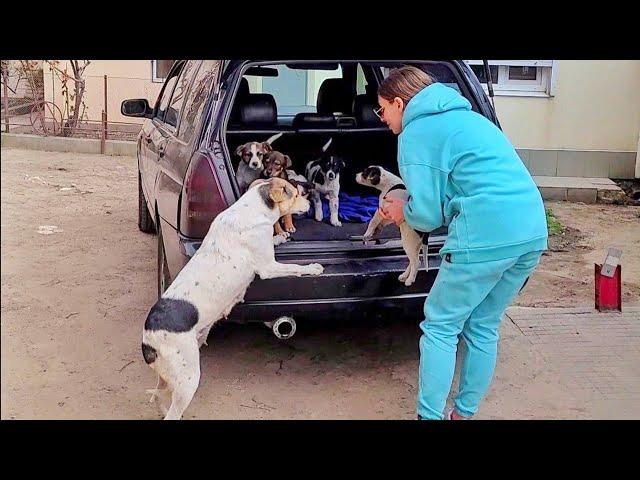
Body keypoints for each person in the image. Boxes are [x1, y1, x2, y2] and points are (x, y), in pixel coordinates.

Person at [376, 66, 548, 420]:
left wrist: (401, 209)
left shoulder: (415, 132)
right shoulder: (465, 117)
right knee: (484, 324)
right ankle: (464, 413)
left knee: (440, 325)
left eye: (382, 110)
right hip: (531, 230)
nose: (382, 119)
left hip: (484, 233)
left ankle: (429, 416)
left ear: (399, 102)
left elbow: (426, 217)